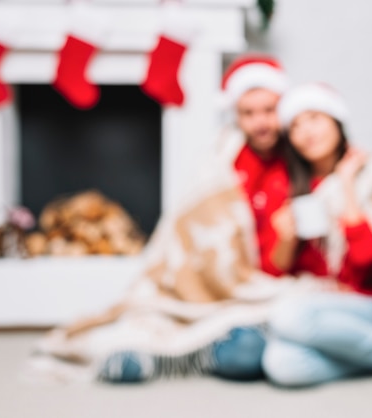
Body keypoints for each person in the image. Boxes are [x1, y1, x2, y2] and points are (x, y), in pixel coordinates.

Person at [93, 55, 291, 383]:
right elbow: (189, 224)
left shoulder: (296, 163)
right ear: (235, 114)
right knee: (158, 309)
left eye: (269, 110)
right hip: (212, 281)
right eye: (249, 113)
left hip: (264, 287)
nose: (261, 123)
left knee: (249, 350)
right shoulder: (221, 162)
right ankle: (150, 348)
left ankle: (200, 350)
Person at [260, 83, 372, 387]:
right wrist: (287, 237)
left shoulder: (371, 173)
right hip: (318, 305)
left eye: (314, 118)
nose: (305, 132)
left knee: (286, 316)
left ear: (336, 121)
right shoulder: (290, 186)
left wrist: (347, 184)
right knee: (280, 363)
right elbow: (276, 270)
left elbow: (367, 260)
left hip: (366, 304)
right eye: (295, 126)